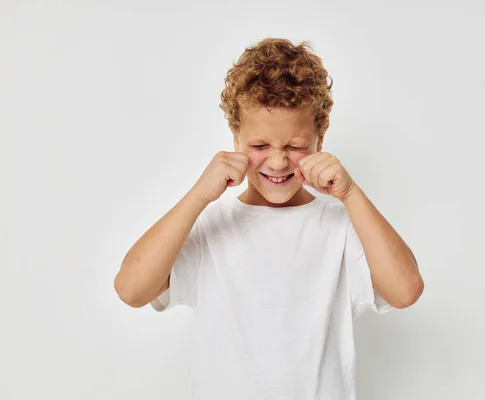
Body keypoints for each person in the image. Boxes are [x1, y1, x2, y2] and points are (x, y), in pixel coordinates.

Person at [114, 37, 424, 399]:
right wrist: (199, 196)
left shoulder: (340, 226)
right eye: (260, 146)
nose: (277, 162)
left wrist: (351, 195)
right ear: (236, 138)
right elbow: (131, 290)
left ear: (320, 139)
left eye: (294, 146)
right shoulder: (212, 225)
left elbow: (405, 291)